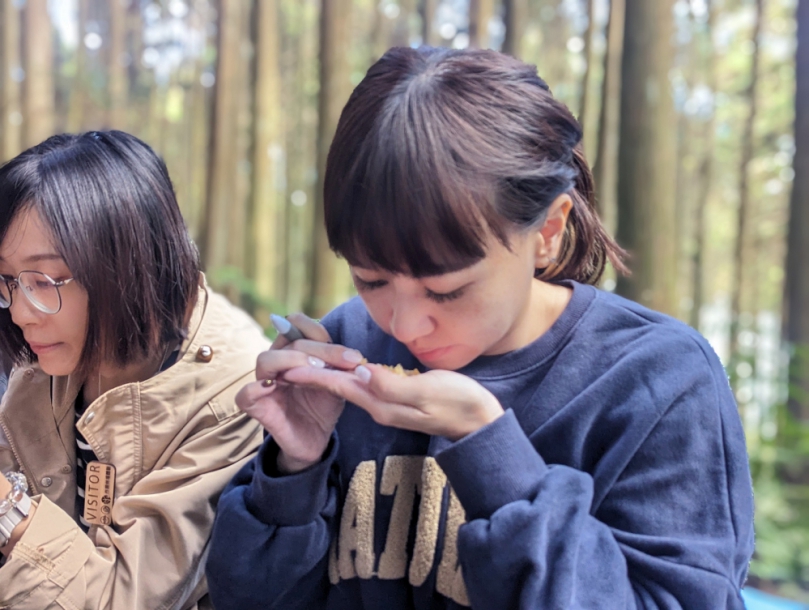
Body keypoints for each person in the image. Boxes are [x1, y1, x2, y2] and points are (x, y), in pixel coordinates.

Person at [206, 47, 755, 609]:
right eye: (371, 280)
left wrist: (491, 455)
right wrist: (293, 469)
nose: (404, 324)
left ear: (547, 230)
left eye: (447, 289)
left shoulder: (657, 381)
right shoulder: (346, 343)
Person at [0, 131, 268, 609]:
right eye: (8, 280)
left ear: (124, 263)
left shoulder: (234, 397)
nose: (21, 312)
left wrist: (6, 508)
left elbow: (126, 598)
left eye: (41, 280)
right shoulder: (45, 363)